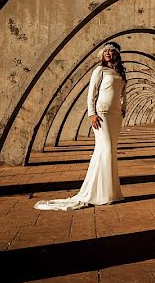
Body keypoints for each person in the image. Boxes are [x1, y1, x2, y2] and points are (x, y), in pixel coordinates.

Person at [35, 42, 127, 210]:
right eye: (105, 51)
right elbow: (91, 94)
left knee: (110, 151)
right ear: (102, 55)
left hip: (115, 116)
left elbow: (122, 92)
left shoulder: (120, 72)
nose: (108, 54)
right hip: (102, 113)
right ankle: (100, 193)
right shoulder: (99, 71)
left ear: (117, 54)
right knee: (105, 149)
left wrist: (124, 109)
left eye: (111, 51)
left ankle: (111, 193)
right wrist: (91, 114)